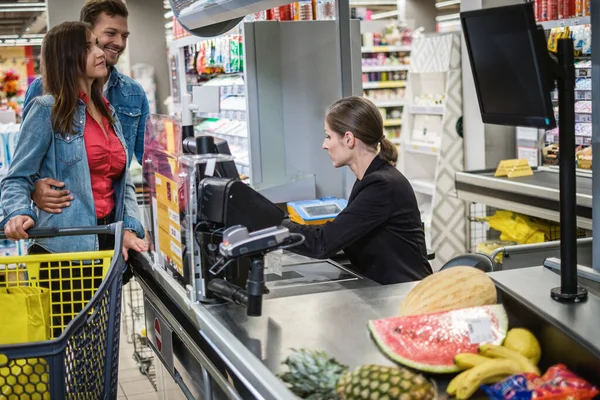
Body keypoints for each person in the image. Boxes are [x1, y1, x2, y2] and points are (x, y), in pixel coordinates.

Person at [0, 21, 147, 260]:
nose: (100, 53)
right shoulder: (47, 110)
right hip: (64, 249)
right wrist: (18, 213)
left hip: (110, 243)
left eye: (97, 45)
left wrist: (129, 228)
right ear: (66, 57)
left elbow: (123, 181)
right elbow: (16, 178)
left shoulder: (108, 112)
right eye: (89, 48)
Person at [282, 96, 432, 285]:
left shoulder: (381, 185)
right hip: (387, 290)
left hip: (405, 296)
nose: (324, 144)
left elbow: (323, 244)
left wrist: (273, 226)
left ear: (349, 139)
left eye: (328, 136)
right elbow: (340, 232)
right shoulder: (371, 178)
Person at [24, 0, 149, 215]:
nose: (119, 42)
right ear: (87, 34)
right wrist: (33, 188)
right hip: (66, 225)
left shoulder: (133, 93)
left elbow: (148, 161)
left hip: (115, 223)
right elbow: (26, 161)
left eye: (125, 36)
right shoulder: (43, 91)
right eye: (110, 33)